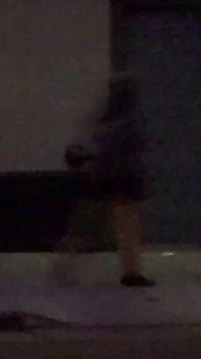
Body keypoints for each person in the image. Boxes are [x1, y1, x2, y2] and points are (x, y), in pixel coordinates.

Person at [55, 74, 153, 287]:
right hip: (125, 179)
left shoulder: (103, 120)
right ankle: (131, 271)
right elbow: (132, 151)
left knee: (86, 224)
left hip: (100, 178)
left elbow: (93, 146)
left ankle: (65, 264)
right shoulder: (131, 121)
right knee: (128, 226)